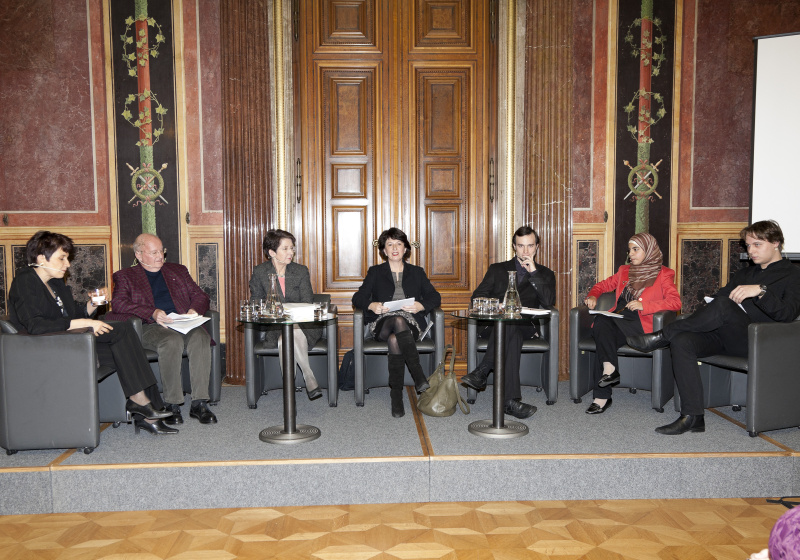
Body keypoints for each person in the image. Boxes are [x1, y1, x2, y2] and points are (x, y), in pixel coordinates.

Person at [627, 220, 800, 435]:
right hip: (728, 336)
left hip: (759, 341)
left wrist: (762, 292)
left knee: (723, 305)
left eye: (757, 245)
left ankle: (663, 335)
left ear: (776, 243)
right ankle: (692, 416)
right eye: (748, 245)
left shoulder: (792, 274)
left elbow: (788, 314)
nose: (751, 251)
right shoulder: (745, 274)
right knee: (683, 341)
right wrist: (715, 302)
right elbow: (720, 297)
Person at [7, 231, 175, 436]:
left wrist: (90, 305)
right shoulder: (25, 281)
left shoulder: (55, 282)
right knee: (121, 333)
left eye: (67, 258)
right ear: (41, 258)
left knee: (122, 338)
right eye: (62, 258)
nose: (67, 264)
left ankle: (144, 407)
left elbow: (72, 313)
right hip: (44, 351)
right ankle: (146, 405)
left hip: (68, 342)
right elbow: (36, 326)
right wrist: (85, 322)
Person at [108, 233, 217, 425]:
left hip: (181, 322)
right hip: (151, 326)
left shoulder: (178, 270)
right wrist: (152, 312)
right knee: (171, 341)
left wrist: (193, 310)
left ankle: (199, 403)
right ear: (139, 255)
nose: (160, 256)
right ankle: (172, 404)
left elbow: (200, 295)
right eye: (154, 252)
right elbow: (118, 304)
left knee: (200, 337)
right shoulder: (125, 276)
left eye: (162, 251)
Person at [461, 226, 556, 419]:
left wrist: (534, 273)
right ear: (514, 246)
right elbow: (477, 296)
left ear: (537, 247)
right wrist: (500, 306)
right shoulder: (498, 269)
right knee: (509, 327)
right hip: (494, 326)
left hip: (526, 326)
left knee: (512, 325)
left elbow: (548, 302)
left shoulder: (545, 274)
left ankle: (483, 370)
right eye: (521, 246)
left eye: (530, 246)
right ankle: (509, 402)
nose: (526, 251)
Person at [582, 232, 681, 414]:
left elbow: (675, 302)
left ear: (649, 250)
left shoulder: (664, 274)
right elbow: (602, 286)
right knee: (602, 323)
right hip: (620, 320)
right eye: (629, 250)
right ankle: (609, 371)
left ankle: (602, 396)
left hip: (641, 324)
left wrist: (645, 305)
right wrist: (593, 295)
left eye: (636, 249)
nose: (631, 254)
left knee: (603, 332)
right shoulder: (624, 271)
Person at [352, 228, 442, 418]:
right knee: (396, 320)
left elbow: (435, 296)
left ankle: (396, 397)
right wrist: (372, 305)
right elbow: (357, 297)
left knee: (396, 338)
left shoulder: (417, 272)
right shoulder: (375, 272)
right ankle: (418, 376)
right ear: (384, 250)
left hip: (411, 324)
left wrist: (420, 305)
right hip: (382, 322)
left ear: (406, 249)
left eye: (399, 244)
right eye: (390, 244)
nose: (395, 248)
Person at [250, 229, 324, 400]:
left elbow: (307, 302)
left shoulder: (300, 271)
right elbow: (256, 303)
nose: (291, 252)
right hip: (275, 327)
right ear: (271, 252)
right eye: (285, 248)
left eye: (292, 248)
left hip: (304, 325)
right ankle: (309, 378)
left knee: (290, 334)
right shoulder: (260, 272)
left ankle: (290, 389)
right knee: (285, 336)